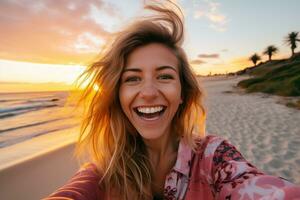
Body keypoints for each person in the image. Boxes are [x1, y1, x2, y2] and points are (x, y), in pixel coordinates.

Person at [44, 2, 300, 200]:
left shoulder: (213, 157)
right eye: (132, 79)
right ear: (117, 96)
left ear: (182, 94)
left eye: (164, 76)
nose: (148, 92)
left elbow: (255, 187)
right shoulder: (105, 171)